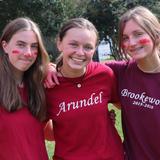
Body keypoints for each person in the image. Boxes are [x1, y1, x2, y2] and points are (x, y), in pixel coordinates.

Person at [45, 18, 124, 160]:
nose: (80, 52)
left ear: (94, 49)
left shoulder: (104, 74)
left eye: (88, 47)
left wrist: (101, 121)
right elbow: (46, 133)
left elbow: (123, 106)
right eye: (73, 44)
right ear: (59, 43)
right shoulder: (48, 85)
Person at [106, 6, 160, 160]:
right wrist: (50, 68)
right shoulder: (120, 71)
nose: (132, 42)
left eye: (138, 34)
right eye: (125, 37)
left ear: (155, 33)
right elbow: (81, 66)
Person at [0, 17, 50, 160]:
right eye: (21, 44)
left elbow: (46, 132)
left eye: (34, 46)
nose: (28, 52)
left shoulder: (41, 85)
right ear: (5, 46)